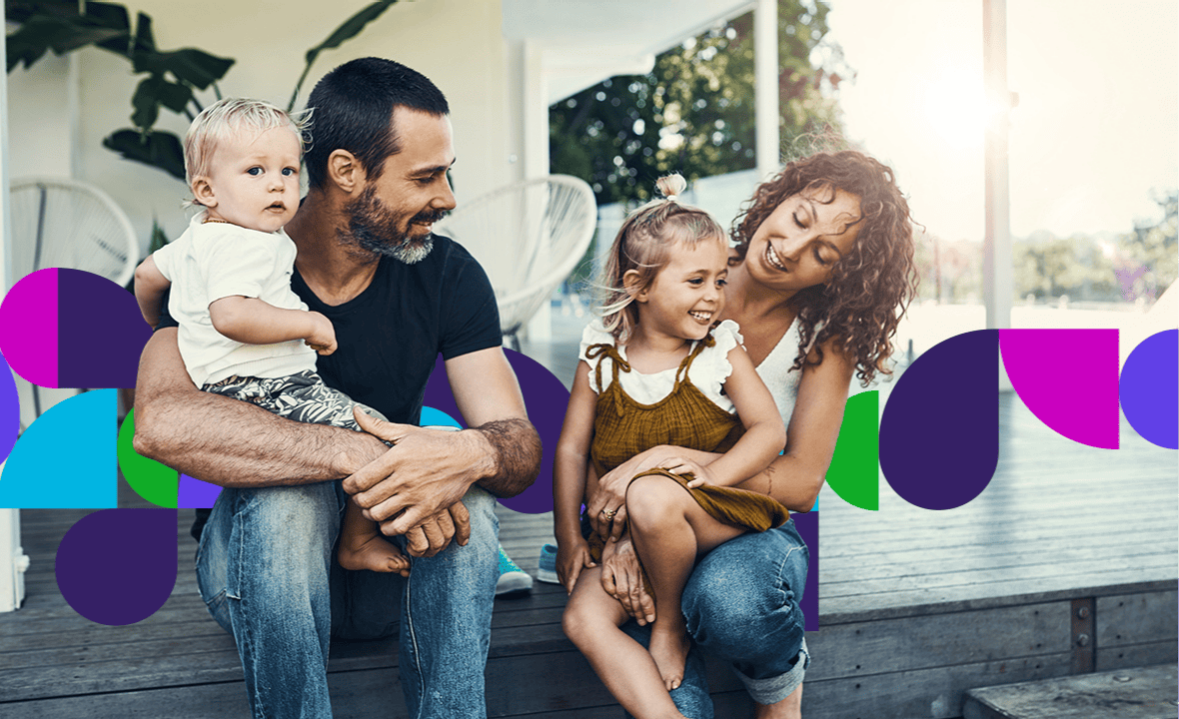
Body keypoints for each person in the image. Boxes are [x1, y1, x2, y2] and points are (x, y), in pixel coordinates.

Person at [132, 58, 543, 719]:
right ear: (348, 171)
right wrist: (350, 452)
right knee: (287, 502)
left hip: (396, 570)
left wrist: (473, 453)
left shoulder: (448, 273)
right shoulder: (224, 253)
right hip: (260, 575)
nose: (448, 197)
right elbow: (161, 422)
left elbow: (516, 442)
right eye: (426, 176)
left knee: (470, 494)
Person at [582, 150, 916, 719]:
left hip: (748, 522)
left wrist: (666, 468)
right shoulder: (680, 270)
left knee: (731, 602)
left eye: (823, 253)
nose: (790, 247)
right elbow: (602, 428)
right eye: (801, 218)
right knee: (629, 632)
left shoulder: (824, 339)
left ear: (840, 273)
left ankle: (779, 683)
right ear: (782, 195)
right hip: (651, 520)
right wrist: (619, 537)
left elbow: (802, 482)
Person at [134, 97, 411, 578]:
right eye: (255, 171)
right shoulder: (245, 243)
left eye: (288, 170)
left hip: (223, 388)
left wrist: (159, 322)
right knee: (376, 434)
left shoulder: (198, 236)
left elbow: (145, 276)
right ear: (206, 188)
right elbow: (231, 316)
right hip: (269, 385)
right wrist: (310, 324)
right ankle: (358, 540)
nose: (277, 184)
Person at [555, 175, 792, 719]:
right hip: (637, 523)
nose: (713, 296)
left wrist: (705, 480)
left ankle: (669, 626)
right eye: (696, 281)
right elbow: (573, 449)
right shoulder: (601, 352)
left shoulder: (718, 351)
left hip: (717, 510)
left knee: (654, 497)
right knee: (582, 620)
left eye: (718, 279)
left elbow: (768, 432)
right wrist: (570, 536)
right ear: (639, 286)